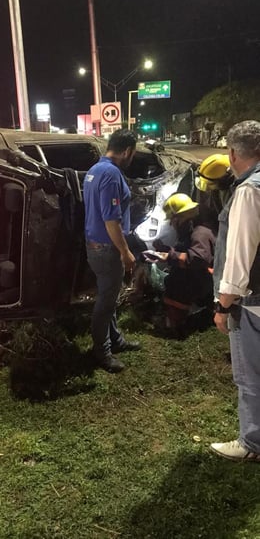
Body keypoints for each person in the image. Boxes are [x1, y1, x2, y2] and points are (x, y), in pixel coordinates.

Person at [210, 120, 260, 462]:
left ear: (231, 153)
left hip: (251, 303)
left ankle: (252, 443)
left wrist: (224, 305)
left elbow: (241, 255)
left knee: (250, 376)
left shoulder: (248, 191)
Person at [83, 129, 140, 373]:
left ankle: (115, 340)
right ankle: (102, 352)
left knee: (109, 295)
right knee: (106, 302)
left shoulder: (94, 170)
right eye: (133, 154)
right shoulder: (111, 174)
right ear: (127, 151)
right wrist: (125, 251)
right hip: (107, 249)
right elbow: (111, 220)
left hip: (95, 246)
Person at [151, 193, 216, 338]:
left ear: (178, 218)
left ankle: (175, 323)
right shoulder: (195, 229)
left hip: (205, 280)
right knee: (177, 276)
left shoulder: (199, 233)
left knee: (177, 280)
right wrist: (165, 250)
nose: (171, 224)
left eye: (172, 221)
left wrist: (170, 257)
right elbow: (186, 251)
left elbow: (198, 259)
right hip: (204, 278)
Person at [194, 153, 234, 230]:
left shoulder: (236, 192)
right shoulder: (217, 189)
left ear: (225, 180)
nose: (210, 189)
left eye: (211, 184)